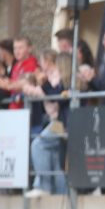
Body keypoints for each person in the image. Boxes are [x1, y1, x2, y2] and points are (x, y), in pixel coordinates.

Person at [25, 52, 72, 197]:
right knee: (54, 157)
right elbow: (54, 95)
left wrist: (43, 84)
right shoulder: (66, 81)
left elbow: (56, 98)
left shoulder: (70, 81)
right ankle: (60, 191)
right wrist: (44, 83)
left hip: (62, 124)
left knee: (38, 145)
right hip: (60, 122)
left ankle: (43, 185)